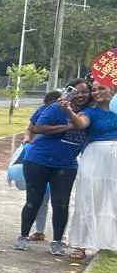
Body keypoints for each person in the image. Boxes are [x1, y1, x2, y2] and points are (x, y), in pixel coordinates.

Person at [13, 78, 92, 255]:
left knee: (61, 204)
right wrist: (67, 127)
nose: (81, 95)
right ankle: (23, 236)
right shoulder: (57, 107)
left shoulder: (90, 113)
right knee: (34, 200)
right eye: (77, 91)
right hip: (38, 161)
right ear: (69, 91)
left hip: (67, 165)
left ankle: (57, 241)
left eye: (85, 91)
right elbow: (38, 127)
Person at [61, 81, 117, 258]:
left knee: (112, 200)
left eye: (101, 88)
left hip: (114, 160)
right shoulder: (91, 112)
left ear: (113, 88)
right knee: (88, 198)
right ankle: (81, 245)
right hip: (94, 157)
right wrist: (68, 111)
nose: (96, 92)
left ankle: (108, 242)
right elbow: (81, 123)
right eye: (94, 89)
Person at [19, 90, 63, 241]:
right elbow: (30, 129)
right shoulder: (42, 110)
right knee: (39, 198)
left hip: (61, 162)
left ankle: (61, 235)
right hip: (39, 159)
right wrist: (27, 138)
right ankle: (39, 230)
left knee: (60, 201)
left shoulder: (69, 112)